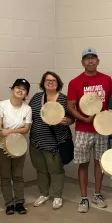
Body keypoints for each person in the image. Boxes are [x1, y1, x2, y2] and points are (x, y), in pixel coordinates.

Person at [66, 48, 112, 213]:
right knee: (83, 163)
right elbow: (70, 106)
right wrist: (83, 118)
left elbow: (111, 103)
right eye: (87, 58)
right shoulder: (75, 82)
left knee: (99, 163)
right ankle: (84, 198)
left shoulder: (107, 80)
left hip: (102, 129)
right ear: (82, 62)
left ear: (98, 61)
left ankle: (97, 194)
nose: (90, 61)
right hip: (83, 129)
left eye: (93, 58)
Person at [29, 72, 74, 210]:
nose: (50, 82)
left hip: (55, 142)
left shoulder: (64, 99)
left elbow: (72, 118)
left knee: (56, 170)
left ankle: (57, 196)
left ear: (58, 83)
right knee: (41, 169)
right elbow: (28, 114)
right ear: (43, 83)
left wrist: (68, 121)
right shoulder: (37, 98)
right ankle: (44, 194)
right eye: (47, 80)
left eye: (53, 80)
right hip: (36, 141)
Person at [0, 79, 33, 215]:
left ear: (26, 94)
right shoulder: (2, 105)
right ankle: (9, 204)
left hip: (19, 147)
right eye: (18, 87)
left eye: (24, 89)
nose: (20, 90)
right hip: (1, 146)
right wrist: (1, 131)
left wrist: (8, 131)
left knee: (18, 176)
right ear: (12, 89)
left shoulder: (27, 109)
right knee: (5, 176)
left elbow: (26, 129)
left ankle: (19, 202)